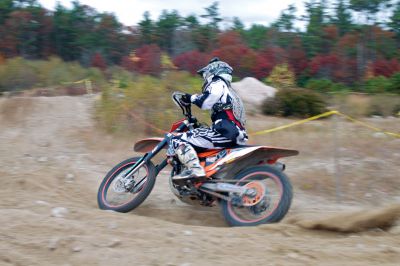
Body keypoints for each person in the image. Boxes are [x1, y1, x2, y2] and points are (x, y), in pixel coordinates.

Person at [169, 57, 248, 182]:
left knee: (177, 139)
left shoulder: (217, 83)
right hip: (232, 133)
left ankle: (195, 170)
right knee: (197, 136)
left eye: (206, 74)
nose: (205, 77)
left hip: (225, 132)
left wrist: (190, 98)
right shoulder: (230, 92)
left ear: (214, 72)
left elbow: (205, 102)